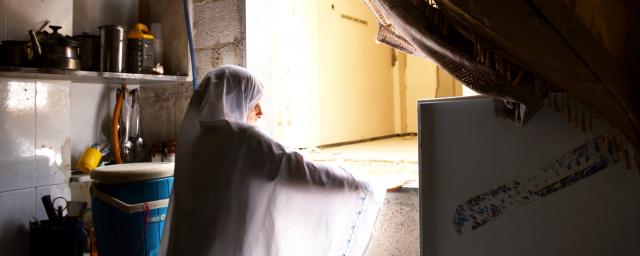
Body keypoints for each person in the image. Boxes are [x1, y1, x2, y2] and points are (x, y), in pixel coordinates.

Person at [159, 65, 384, 256]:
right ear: (234, 99)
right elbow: (298, 170)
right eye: (254, 100)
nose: (260, 111)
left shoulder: (197, 144)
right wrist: (363, 184)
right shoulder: (243, 140)